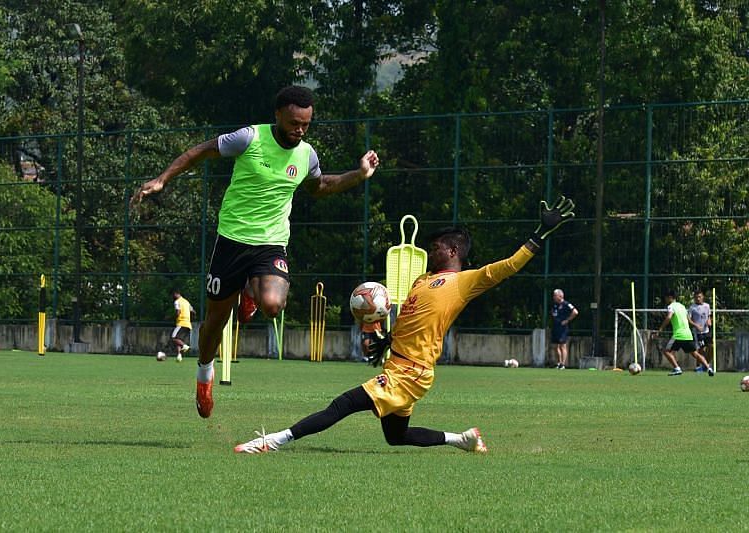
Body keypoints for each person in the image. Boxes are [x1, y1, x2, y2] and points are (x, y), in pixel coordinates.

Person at [234, 197, 575, 454]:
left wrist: (540, 233)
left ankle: (273, 441)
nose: (431, 249)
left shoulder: (464, 282)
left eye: (437, 246)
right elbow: (410, 322)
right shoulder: (422, 280)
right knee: (396, 436)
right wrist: (385, 339)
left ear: (453, 250)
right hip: (398, 362)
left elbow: (509, 266)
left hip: (411, 372)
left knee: (342, 405)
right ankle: (464, 439)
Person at [131, 86, 380, 418]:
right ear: (278, 115)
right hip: (231, 240)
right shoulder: (249, 138)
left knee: (274, 305)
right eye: (294, 122)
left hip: (270, 243)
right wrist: (163, 179)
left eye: (306, 124)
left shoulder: (307, 155)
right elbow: (200, 152)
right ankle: (204, 373)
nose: (299, 130)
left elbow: (320, 187)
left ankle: (250, 295)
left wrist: (360, 174)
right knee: (214, 322)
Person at [653, 289, 714, 376]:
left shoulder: (671, 306)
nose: (665, 300)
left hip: (678, 334)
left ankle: (677, 368)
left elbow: (669, 317)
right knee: (695, 353)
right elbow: (688, 319)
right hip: (688, 335)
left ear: (670, 298)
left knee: (666, 351)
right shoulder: (682, 306)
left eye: (666, 298)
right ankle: (709, 368)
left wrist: (660, 330)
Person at [550, 289, 578, 369]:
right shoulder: (554, 305)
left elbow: (575, 312)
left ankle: (563, 364)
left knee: (563, 345)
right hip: (555, 327)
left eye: (555, 295)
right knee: (555, 346)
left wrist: (567, 320)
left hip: (562, 328)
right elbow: (553, 313)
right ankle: (558, 363)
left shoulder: (566, 304)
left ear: (560, 296)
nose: (554, 297)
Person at [688, 289, 712, 373]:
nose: (698, 298)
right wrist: (696, 325)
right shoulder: (692, 307)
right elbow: (689, 320)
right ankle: (698, 367)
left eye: (699, 297)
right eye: (696, 297)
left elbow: (708, 316)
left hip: (707, 331)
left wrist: (709, 320)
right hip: (698, 333)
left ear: (703, 297)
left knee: (711, 347)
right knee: (701, 349)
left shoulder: (707, 306)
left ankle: (706, 364)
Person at [171, 290, 195, 362]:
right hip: (188, 324)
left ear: (177, 294)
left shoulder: (177, 301)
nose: (173, 297)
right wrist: (191, 319)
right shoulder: (186, 302)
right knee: (179, 339)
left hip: (181, 323)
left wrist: (171, 317)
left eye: (173, 295)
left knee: (174, 338)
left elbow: (178, 312)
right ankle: (179, 356)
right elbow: (193, 312)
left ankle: (185, 346)